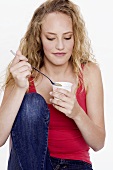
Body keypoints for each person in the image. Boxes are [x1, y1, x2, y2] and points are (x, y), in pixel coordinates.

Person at [0, 0, 105, 169]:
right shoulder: (23, 73)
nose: (60, 46)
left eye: (67, 37)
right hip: (29, 164)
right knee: (31, 103)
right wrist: (20, 87)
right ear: (38, 38)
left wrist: (77, 112)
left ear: (75, 37)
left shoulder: (89, 72)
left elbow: (99, 143)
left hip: (74, 165)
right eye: (51, 38)